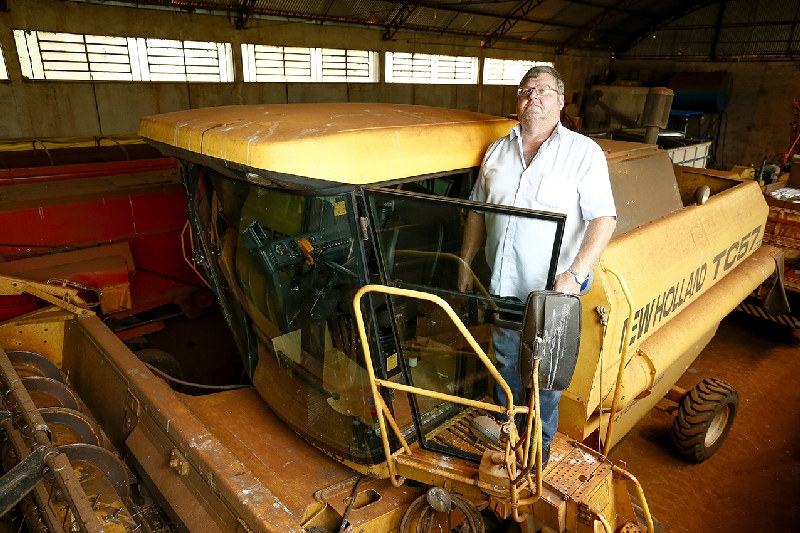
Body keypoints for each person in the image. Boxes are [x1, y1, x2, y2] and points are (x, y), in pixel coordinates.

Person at [458, 65, 617, 465]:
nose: (534, 96)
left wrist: (576, 273)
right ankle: (507, 434)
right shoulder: (497, 150)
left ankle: (538, 449)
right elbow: (477, 212)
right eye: (526, 90)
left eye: (544, 91)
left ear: (561, 101)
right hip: (502, 282)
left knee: (545, 376)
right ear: (518, 100)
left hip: (553, 292)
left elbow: (604, 218)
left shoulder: (583, 153)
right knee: (506, 360)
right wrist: (464, 261)